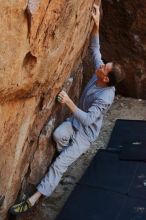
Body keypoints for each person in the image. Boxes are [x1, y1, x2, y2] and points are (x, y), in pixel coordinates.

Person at [10, 2, 125, 215]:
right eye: (103, 64)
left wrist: (68, 102)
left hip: (86, 133)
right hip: (74, 123)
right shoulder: (101, 75)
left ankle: (33, 200)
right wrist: (96, 24)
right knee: (58, 135)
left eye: (103, 66)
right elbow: (95, 48)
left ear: (106, 77)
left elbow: (89, 121)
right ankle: (68, 153)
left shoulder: (105, 97)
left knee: (58, 165)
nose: (100, 64)